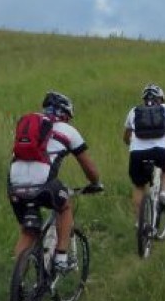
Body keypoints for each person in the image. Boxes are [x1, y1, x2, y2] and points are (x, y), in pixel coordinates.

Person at [7, 90, 102, 272]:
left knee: (29, 232)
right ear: (65, 114)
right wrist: (95, 183)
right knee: (64, 206)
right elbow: (89, 168)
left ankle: (18, 285)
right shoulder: (68, 131)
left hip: (14, 184)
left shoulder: (29, 126)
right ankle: (61, 257)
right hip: (43, 185)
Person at [123, 84, 165, 223]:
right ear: (161, 99)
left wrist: (133, 144)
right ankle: (162, 194)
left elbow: (125, 137)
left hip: (136, 154)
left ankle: (139, 223)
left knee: (139, 186)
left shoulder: (134, 111)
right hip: (160, 152)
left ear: (144, 99)